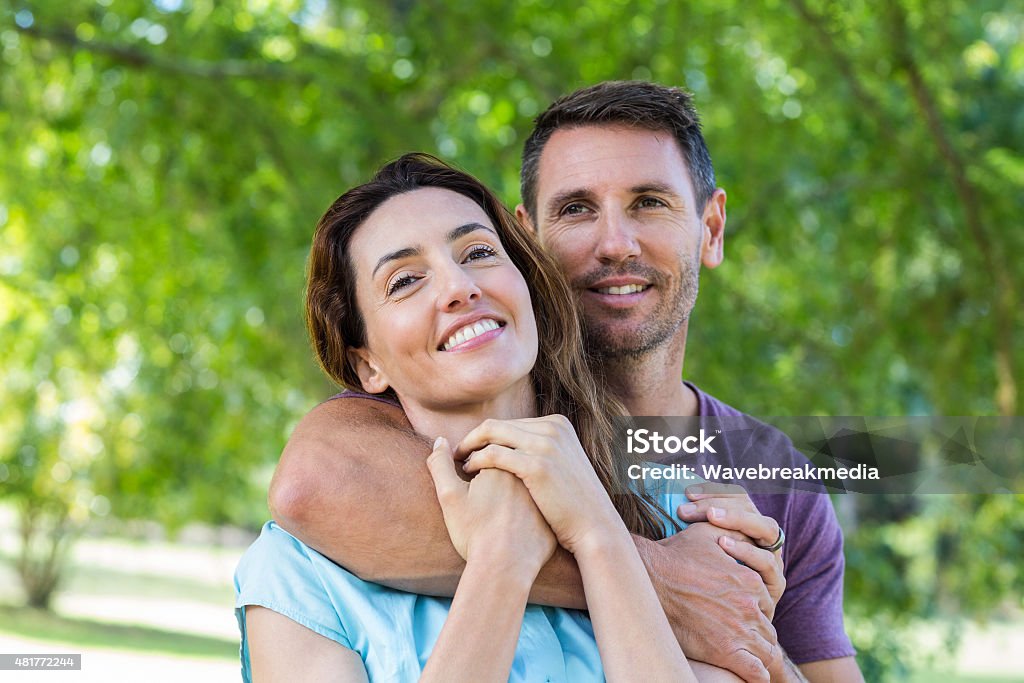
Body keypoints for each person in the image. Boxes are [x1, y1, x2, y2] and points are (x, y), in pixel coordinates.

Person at [271, 82, 862, 682]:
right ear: (529, 239)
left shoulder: (745, 489)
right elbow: (307, 488)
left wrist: (748, 643)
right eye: (576, 209)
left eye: (650, 202)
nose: (615, 244)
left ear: (711, 229)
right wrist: (655, 577)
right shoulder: (381, 437)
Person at [236, 153, 732, 681]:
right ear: (368, 363)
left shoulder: (683, 507)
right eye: (405, 281)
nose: (459, 287)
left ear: (527, 287)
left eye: (477, 252)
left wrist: (601, 534)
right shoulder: (299, 576)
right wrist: (502, 561)